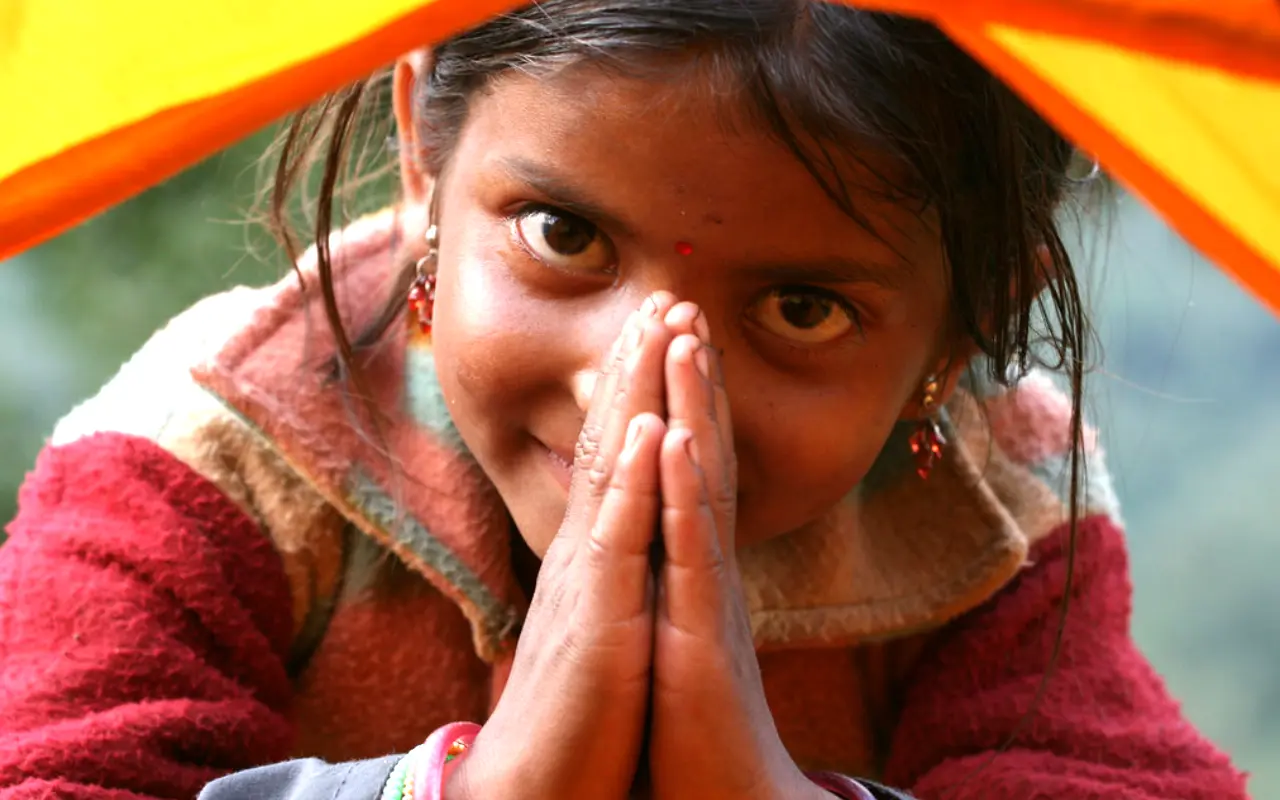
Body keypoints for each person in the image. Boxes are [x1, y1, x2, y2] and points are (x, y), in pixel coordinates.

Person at [0, 3, 1251, 799]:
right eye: (563, 234)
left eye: (802, 307)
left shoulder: (998, 516)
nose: (638, 394)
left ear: (970, 317)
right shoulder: (217, 443)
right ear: (427, 146)